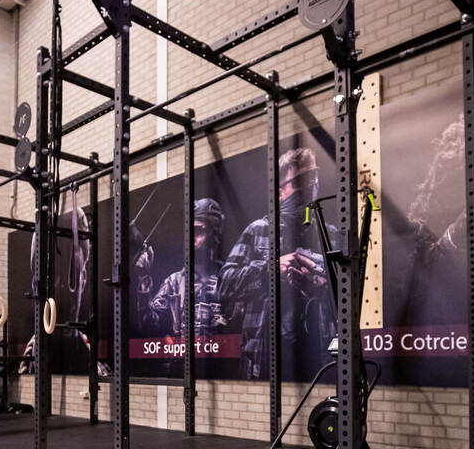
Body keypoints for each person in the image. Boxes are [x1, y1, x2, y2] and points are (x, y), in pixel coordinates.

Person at [219, 147, 336, 380]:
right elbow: (224, 286)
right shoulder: (258, 231)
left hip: (319, 357)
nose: (309, 186)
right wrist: (268, 269)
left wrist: (321, 283)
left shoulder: (329, 235)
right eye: (300, 181)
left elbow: (351, 295)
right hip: (266, 360)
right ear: (281, 190)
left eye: (313, 177)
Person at [137, 198, 229, 338]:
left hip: (221, 352)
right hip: (182, 352)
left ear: (214, 232)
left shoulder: (230, 279)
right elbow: (150, 327)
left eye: (197, 230)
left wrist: (224, 298)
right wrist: (143, 280)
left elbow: (244, 327)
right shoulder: (174, 282)